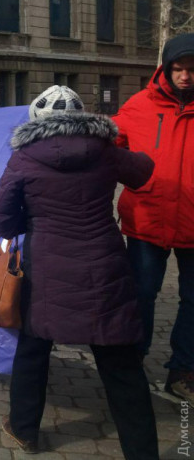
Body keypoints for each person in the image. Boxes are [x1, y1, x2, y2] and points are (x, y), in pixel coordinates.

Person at [0, 86, 158, 459]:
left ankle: (24, 430)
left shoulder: (25, 157)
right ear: (82, 118)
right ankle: (142, 452)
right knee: (120, 364)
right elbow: (143, 172)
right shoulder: (105, 150)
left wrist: (28, 223)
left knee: (33, 349)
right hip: (105, 266)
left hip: (46, 267)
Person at [113, 32, 194, 402]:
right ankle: (133, 363)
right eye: (178, 68)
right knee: (142, 294)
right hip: (147, 219)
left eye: (192, 70)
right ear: (165, 68)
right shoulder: (139, 105)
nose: (185, 76)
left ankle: (183, 371)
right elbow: (109, 147)